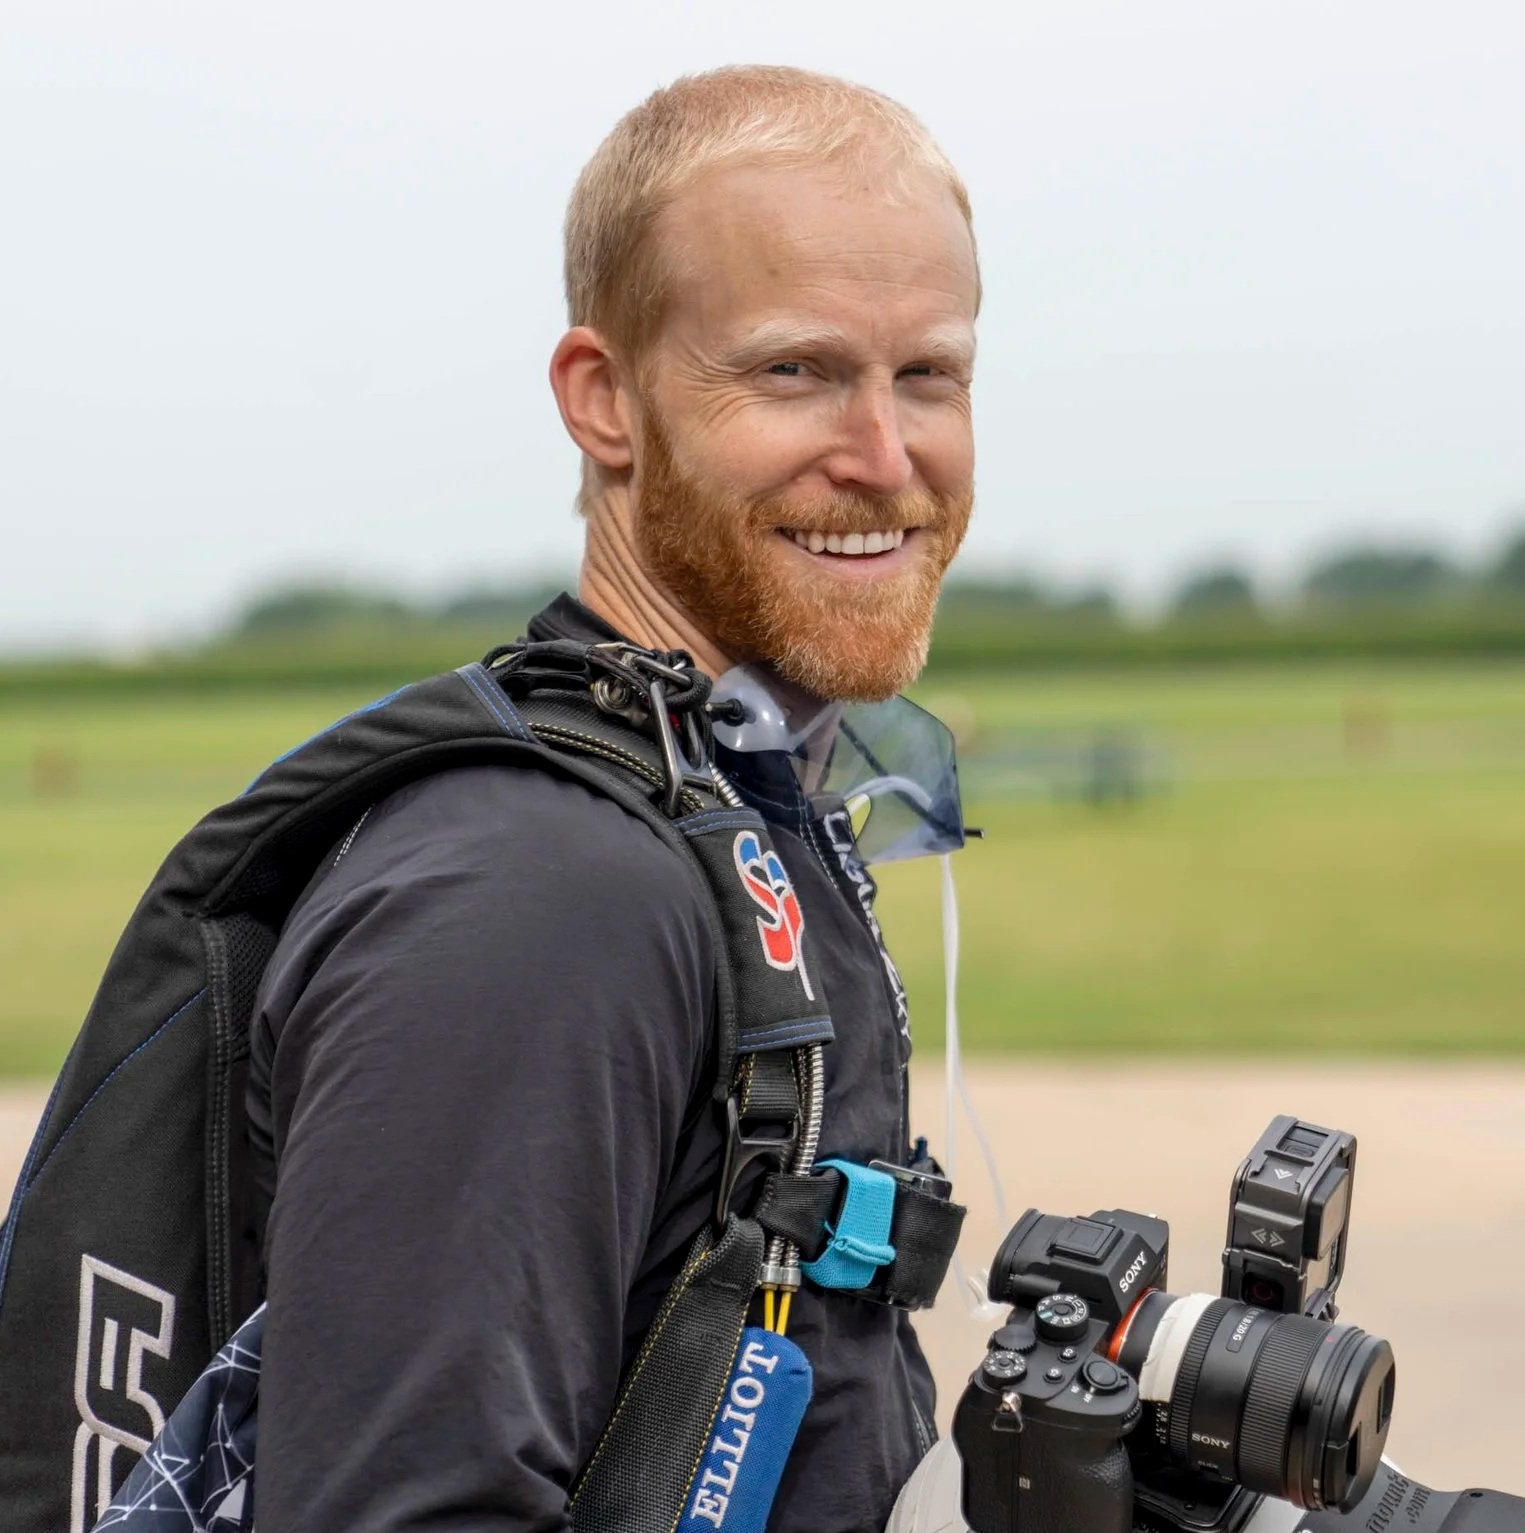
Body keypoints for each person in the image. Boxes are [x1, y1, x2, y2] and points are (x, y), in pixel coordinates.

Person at [242, 65, 980, 1532]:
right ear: (606, 401)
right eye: (796, 371)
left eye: (929, 376)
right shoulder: (534, 891)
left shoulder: (728, 795)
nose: (886, 460)